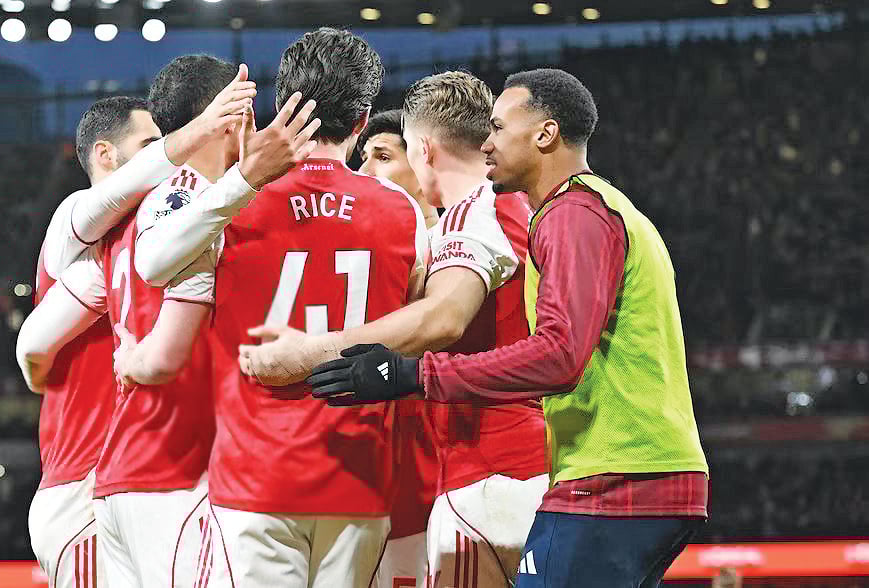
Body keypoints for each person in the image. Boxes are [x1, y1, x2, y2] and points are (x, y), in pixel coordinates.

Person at [304, 68, 710, 588]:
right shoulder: (586, 211)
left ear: (545, 134)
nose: (486, 143)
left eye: (497, 128)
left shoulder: (567, 215)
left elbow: (557, 354)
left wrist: (409, 373)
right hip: (616, 471)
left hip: (602, 476)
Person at [114, 28, 429, 588]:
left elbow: (153, 264)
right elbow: (415, 324)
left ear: (282, 106)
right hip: (359, 476)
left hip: (254, 479)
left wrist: (241, 178)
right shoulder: (404, 213)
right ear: (361, 123)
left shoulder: (232, 205)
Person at [17, 56, 319, 587]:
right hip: (89, 478)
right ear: (105, 156)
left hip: (124, 473)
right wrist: (53, 378)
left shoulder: (140, 228)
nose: (164, 156)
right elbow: (31, 344)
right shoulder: (79, 221)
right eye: (150, 146)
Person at [240, 71, 549, 588]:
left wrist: (310, 353)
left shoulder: (476, 213)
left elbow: (442, 319)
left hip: (488, 472)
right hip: (516, 466)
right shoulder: (515, 209)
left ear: (422, 149)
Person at [355, 108, 440, 588]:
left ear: (424, 160)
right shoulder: (360, 251)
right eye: (363, 156)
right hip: (366, 464)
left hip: (433, 464)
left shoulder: (459, 247)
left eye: (382, 157)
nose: (364, 170)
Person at [357, 109, 440, 230]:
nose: (362, 171)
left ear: (425, 169)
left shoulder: (456, 239)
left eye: (383, 158)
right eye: (365, 159)